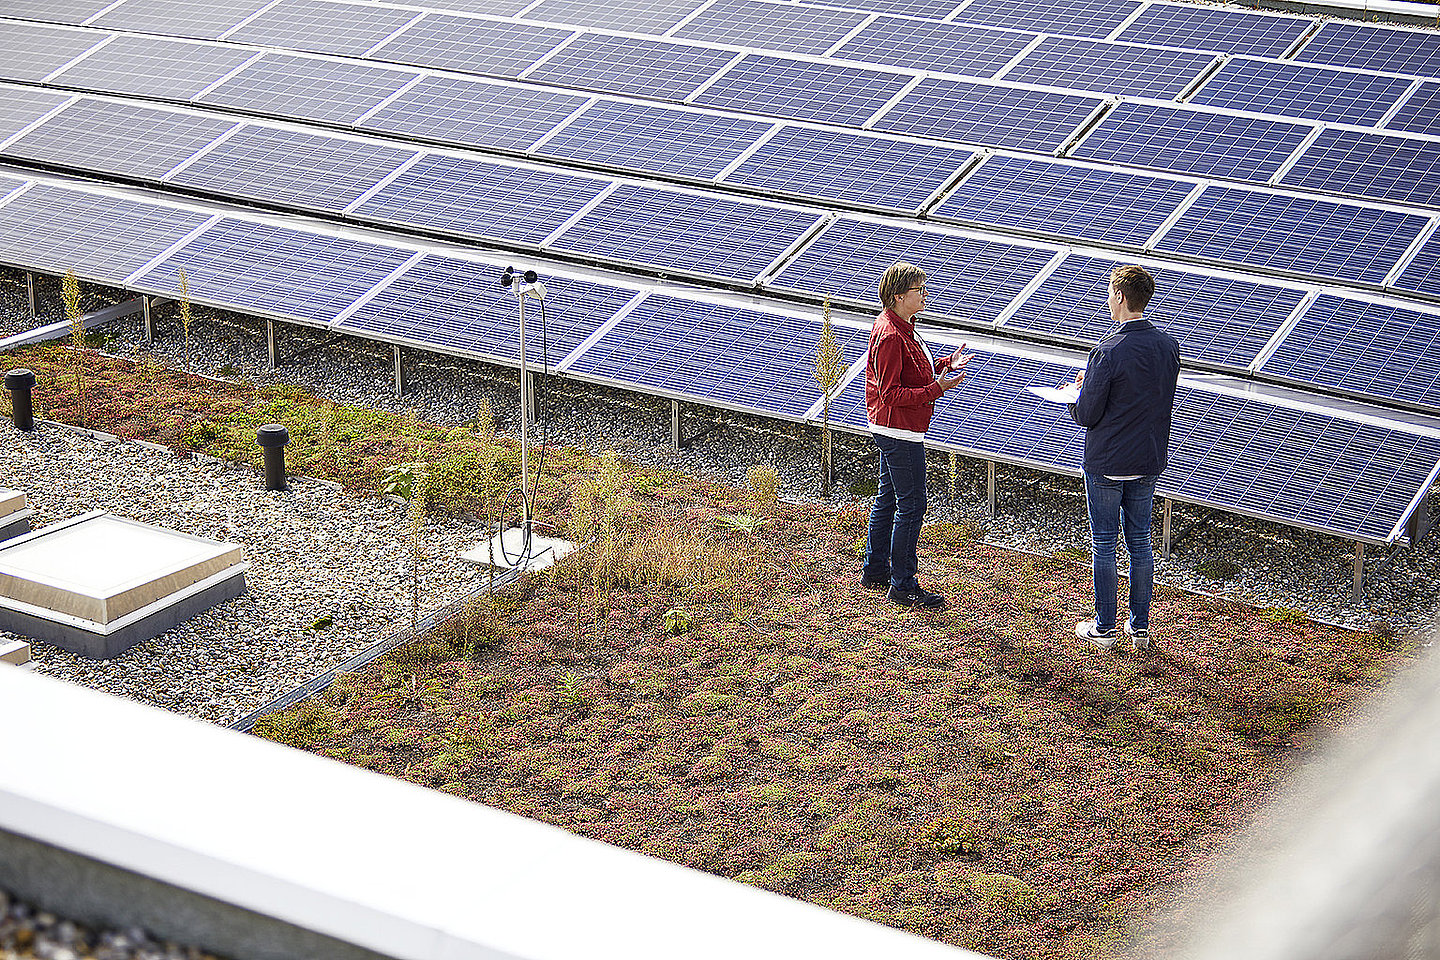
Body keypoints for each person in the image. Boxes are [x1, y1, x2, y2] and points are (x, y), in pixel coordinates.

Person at [1068, 264, 1180, 650]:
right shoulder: (1167, 346)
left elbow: (1089, 414)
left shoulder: (1107, 350)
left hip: (1107, 462)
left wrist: (1076, 396)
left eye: (1109, 292)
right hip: (1148, 458)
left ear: (1119, 297)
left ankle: (1104, 628)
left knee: (1103, 542)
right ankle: (1141, 628)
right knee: (1141, 542)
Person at [861, 262, 972, 609]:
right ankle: (903, 584)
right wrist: (936, 388)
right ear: (898, 296)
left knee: (889, 498)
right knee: (912, 505)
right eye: (919, 290)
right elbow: (891, 392)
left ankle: (876, 570)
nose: (925, 295)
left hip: (894, 427)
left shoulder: (901, 326)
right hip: (899, 430)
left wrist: (943, 365)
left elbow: (912, 369)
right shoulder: (891, 335)